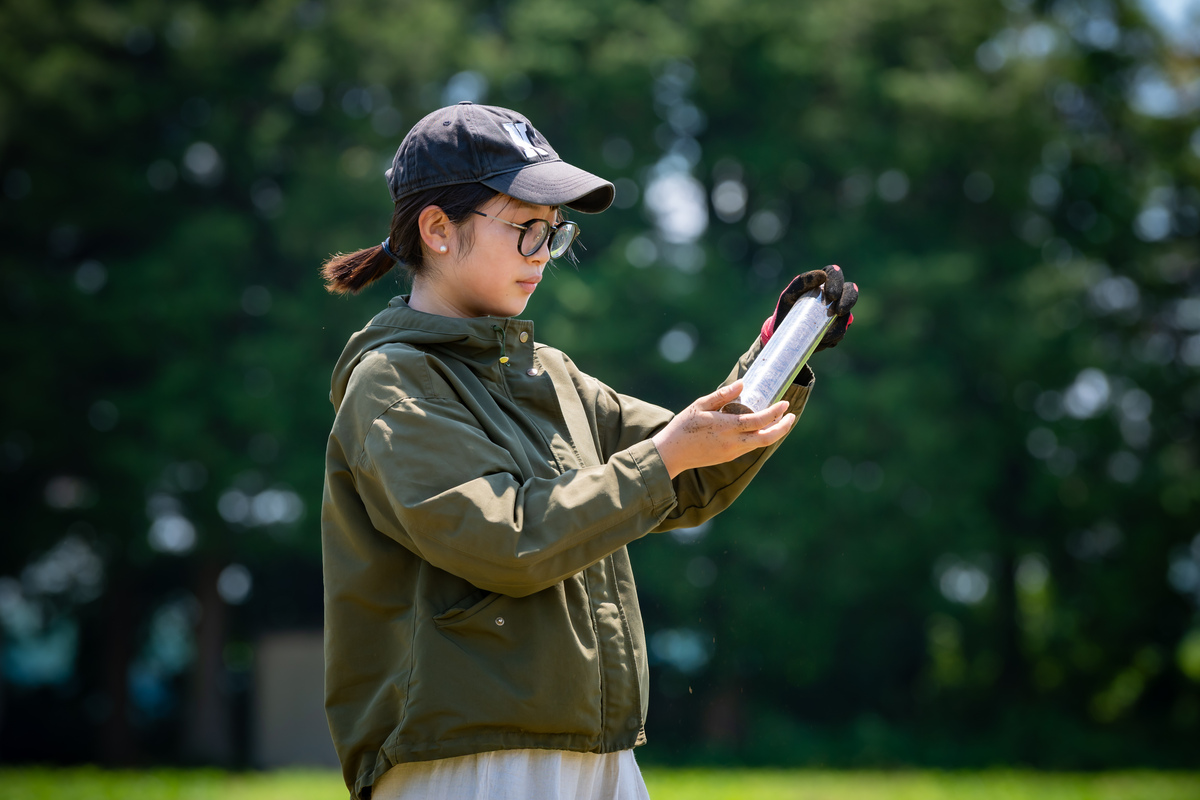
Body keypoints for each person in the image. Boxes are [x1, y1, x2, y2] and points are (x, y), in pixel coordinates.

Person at [319, 101, 857, 800]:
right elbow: (505, 539)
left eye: (553, 233)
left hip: (599, 755)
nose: (543, 255)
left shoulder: (553, 373)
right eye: (524, 230)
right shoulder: (391, 382)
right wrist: (665, 456)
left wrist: (778, 357)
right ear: (437, 230)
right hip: (466, 765)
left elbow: (692, 473)